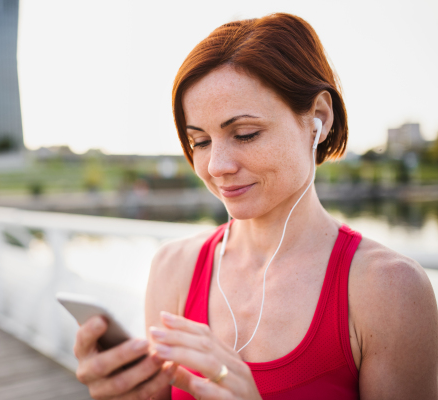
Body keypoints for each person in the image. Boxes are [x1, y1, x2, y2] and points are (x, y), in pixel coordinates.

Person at [72, 13, 438, 399]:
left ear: (319, 119)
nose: (217, 166)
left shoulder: (390, 291)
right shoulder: (172, 268)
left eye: (245, 134)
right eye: (200, 141)